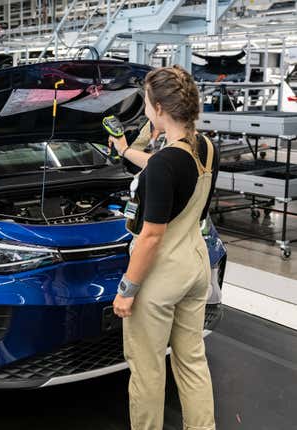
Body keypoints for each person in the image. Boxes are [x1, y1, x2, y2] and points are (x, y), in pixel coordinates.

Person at [108, 65, 219, 430]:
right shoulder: (205, 148)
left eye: (146, 105)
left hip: (160, 277)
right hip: (196, 268)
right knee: (191, 362)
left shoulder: (163, 167)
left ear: (157, 108)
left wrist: (127, 290)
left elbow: (151, 236)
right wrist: (127, 150)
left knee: (147, 371)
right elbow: (163, 165)